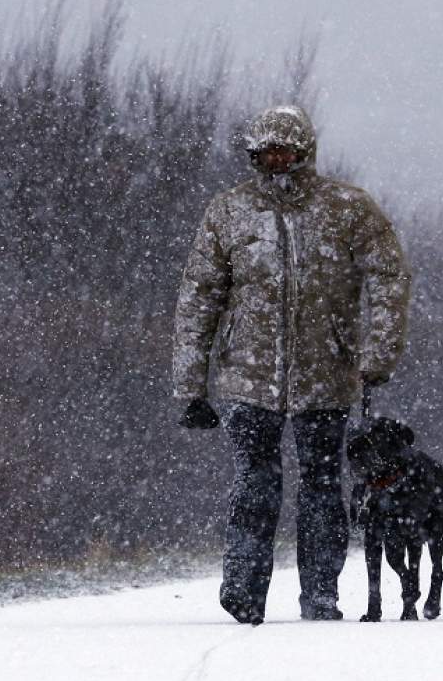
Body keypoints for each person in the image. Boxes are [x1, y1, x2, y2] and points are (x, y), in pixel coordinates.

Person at [172, 105, 411, 624]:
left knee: (322, 485)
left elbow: (390, 276)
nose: (274, 160)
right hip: (246, 377)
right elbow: (200, 296)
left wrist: (378, 352)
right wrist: (190, 385)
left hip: (327, 376)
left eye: (284, 150)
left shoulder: (348, 209)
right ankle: (242, 586)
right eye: (264, 152)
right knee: (254, 480)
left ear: (305, 152)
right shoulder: (228, 212)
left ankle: (320, 594)